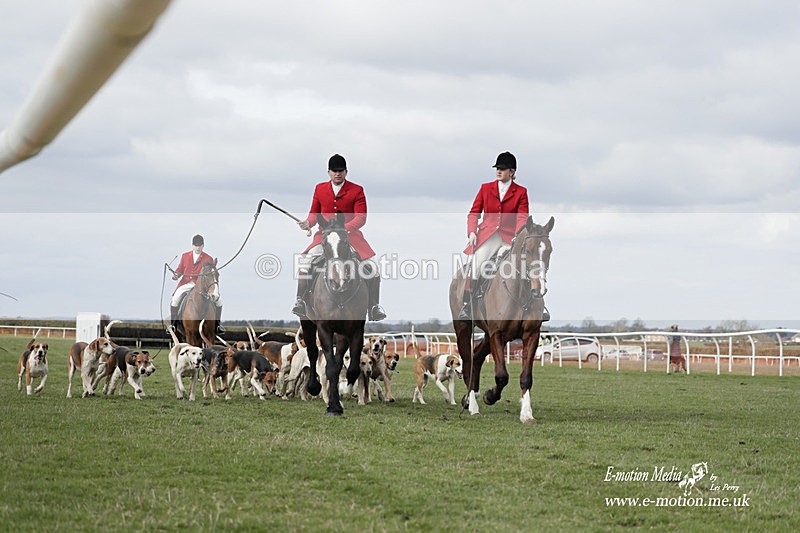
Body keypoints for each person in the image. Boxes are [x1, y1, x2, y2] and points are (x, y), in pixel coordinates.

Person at [292, 153, 386, 321]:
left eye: (341, 171)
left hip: (350, 237)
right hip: (325, 238)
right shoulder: (320, 189)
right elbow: (314, 214)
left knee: (373, 269)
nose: (337, 174)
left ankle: (374, 306)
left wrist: (343, 230)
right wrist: (308, 223)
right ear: (328, 172)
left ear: (346, 172)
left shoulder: (357, 190)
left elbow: (361, 217)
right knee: (305, 266)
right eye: (334, 171)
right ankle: (300, 301)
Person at [457, 151, 549, 321]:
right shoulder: (485, 188)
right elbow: (474, 213)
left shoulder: (521, 192)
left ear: (512, 172)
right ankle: (467, 306)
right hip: (488, 236)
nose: (499, 171)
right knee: (477, 264)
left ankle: (538, 305)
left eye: (503, 168)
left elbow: (522, 216)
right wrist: (471, 232)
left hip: (510, 237)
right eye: (497, 168)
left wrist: (517, 236)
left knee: (525, 265)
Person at [170, 234, 224, 334]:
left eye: (200, 246)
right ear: (192, 245)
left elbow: (211, 274)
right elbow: (180, 269)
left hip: (201, 286)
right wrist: (176, 275)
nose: (198, 248)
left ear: (203, 246)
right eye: (196, 245)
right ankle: (173, 324)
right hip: (186, 283)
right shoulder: (185, 256)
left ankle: (217, 325)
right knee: (175, 299)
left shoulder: (208, 258)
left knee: (219, 301)